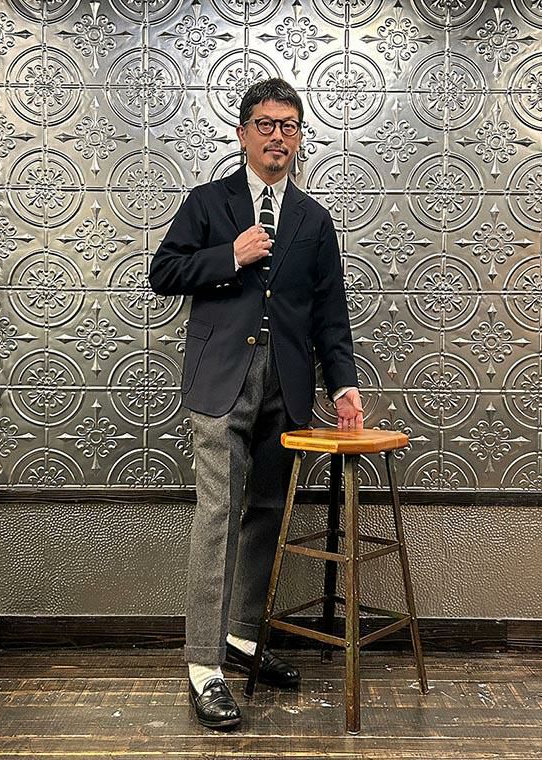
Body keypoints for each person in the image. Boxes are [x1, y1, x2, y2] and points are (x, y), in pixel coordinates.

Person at [149, 78, 363, 731]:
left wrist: (343, 384)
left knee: (267, 512)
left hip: (288, 386)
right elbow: (163, 273)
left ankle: (242, 639)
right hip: (221, 379)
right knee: (219, 513)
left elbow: (330, 314)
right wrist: (229, 256)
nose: (277, 136)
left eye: (289, 126)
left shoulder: (313, 220)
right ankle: (203, 667)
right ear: (243, 133)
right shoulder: (206, 203)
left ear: (299, 139)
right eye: (265, 124)